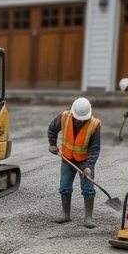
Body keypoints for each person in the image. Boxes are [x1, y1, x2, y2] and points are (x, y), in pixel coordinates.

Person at [47, 96, 102, 228]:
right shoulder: (64, 117)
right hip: (67, 159)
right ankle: (66, 214)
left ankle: (88, 217)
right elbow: (52, 129)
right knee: (64, 187)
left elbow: (95, 149)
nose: (79, 121)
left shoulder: (94, 125)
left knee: (88, 189)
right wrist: (52, 144)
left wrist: (89, 166)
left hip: (84, 161)